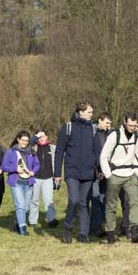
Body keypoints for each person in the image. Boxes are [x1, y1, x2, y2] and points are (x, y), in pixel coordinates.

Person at [55, 101, 102, 244]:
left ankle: (83, 233)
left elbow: (97, 151)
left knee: (83, 203)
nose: (92, 114)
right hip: (72, 171)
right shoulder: (67, 128)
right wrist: (57, 173)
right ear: (80, 112)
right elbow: (59, 152)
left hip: (88, 172)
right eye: (89, 112)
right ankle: (68, 228)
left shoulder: (93, 130)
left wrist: (100, 169)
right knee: (74, 200)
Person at [99, 112, 138, 244]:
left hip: (130, 174)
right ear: (125, 123)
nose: (132, 128)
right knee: (111, 205)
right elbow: (103, 156)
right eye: (130, 125)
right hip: (115, 174)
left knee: (134, 201)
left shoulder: (137, 137)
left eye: (134, 126)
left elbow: (137, 156)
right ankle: (110, 234)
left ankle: (134, 231)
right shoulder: (114, 136)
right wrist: (108, 174)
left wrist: (136, 171)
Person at [1, 130, 41, 236]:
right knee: (20, 205)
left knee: (26, 207)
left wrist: (33, 171)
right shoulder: (11, 151)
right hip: (16, 182)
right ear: (18, 139)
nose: (25, 143)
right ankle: (23, 229)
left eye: (27, 141)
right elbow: (4, 166)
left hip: (29, 183)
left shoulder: (31, 151)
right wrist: (15, 169)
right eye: (23, 140)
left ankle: (16, 224)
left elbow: (37, 164)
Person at [89, 112, 113, 237]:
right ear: (100, 120)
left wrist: (105, 170)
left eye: (110, 123)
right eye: (107, 122)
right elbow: (91, 153)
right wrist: (97, 170)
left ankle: (103, 226)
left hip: (106, 171)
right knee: (96, 198)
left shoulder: (109, 134)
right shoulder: (91, 133)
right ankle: (94, 227)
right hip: (94, 172)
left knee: (104, 200)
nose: (108, 126)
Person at [28, 130, 58, 228]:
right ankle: (33, 221)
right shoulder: (33, 148)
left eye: (43, 136)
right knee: (34, 200)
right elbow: (29, 143)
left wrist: (57, 177)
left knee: (48, 201)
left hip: (48, 178)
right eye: (39, 137)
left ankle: (51, 219)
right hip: (35, 177)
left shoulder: (53, 148)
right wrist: (36, 136)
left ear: (47, 137)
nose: (41, 138)